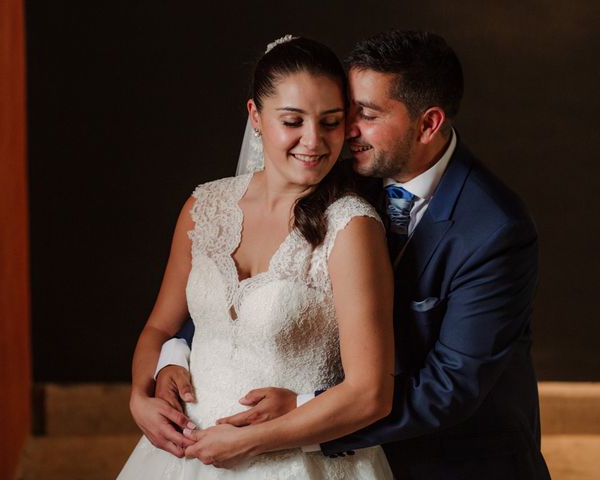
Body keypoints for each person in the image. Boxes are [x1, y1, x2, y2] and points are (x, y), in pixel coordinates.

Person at [154, 30, 551, 479]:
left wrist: (303, 409)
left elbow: (449, 389)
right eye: (347, 111)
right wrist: (174, 351)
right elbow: (232, 279)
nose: (345, 131)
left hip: (452, 460)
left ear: (428, 124)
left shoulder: (495, 229)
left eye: (364, 114)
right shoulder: (334, 174)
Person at [117, 36, 395, 479]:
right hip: (185, 457)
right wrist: (139, 396)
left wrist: (249, 442)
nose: (313, 141)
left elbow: (371, 393)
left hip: (297, 463)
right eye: (293, 121)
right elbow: (159, 327)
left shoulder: (351, 228)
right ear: (256, 117)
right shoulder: (203, 208)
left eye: (330, 122)